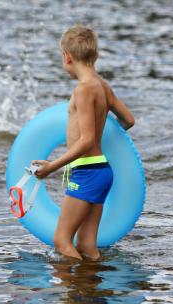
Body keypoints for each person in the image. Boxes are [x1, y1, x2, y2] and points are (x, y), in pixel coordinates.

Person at [33, 25, 135, 261]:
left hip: (87, 171)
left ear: (67, 57)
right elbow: (129, 120)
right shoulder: (103, 87)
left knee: (62, 240)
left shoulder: (83, 90)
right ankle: (92, 292)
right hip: (101, 170)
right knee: (87, 246)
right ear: (96, 56)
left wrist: (52, 166)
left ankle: (73, 293)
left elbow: (87, 140)